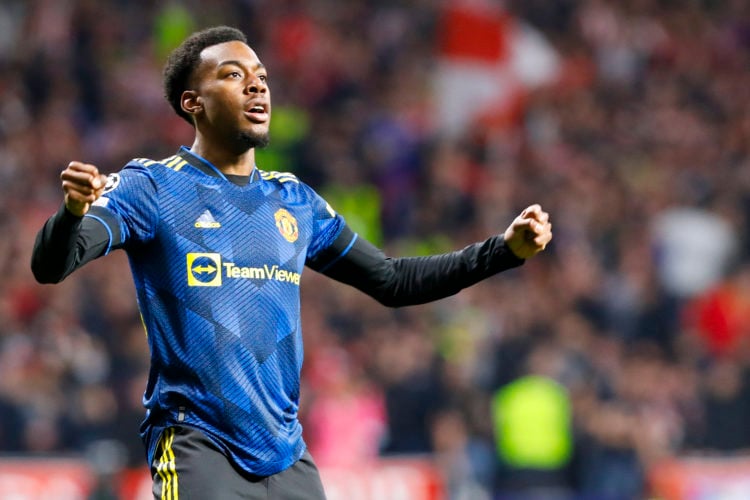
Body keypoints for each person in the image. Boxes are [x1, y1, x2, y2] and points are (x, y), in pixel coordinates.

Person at [30, 25, 552, 500]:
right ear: (193, 102)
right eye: (233, 76)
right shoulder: (152, 188)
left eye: (261, 77)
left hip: (286, 457)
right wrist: (72, 213)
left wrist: (503, 251)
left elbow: (393, 281)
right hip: (197, 447)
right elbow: (52, 265)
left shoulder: (294, 202)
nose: (256, 86)